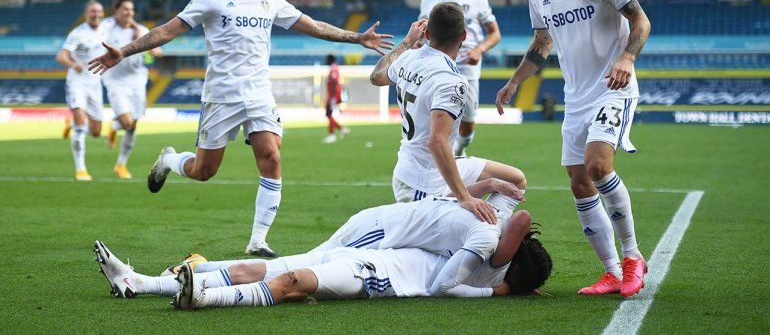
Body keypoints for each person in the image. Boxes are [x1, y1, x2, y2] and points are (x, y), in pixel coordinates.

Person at [88, 0, 394, 257]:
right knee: (204, 172)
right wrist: (125, 50)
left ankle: (258, 240)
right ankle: (170, 160)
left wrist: (356, 38)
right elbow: (167, 30)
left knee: (272, 158)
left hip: (259, 94)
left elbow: (315, 26)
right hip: (221, 96)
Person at [496, 0, 652, 298]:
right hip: (575, 97)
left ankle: (633, 258)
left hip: (614, 86)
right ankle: (612, 272)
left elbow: (641, 21)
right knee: (579, 182)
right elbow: (542, 43)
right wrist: (515, 81)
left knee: (598, 166)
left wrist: (627, 59)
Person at [91, 211, 552, 308]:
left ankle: (203, 299)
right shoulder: (488, 248)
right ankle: (141, 283)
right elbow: (518, 218)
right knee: (258, 268)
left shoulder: (491, 275)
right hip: (372, 253)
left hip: (381, 276)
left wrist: (503, 289)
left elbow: (440, 288)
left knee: (296, 279)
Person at [370, 3, 525, 223]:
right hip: (421, 182)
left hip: (424, 166)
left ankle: (488, 228)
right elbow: (436, 141)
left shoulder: (407, 57)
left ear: (427, 32)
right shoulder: (451, 80)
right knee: (432, 250)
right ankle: (482, 234)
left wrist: (406, 41)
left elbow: (376, 76)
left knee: (515, 180)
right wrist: (465, 197)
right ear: (463, 35)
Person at [419, 0, 501, 157]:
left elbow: (495, 34)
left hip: (466, 66)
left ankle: (460, 149)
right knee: (436, 115)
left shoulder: (477, 0)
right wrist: (417, 45)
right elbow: (421, 32)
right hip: (436, 66)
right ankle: (443, 156)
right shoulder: (428, 1)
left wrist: (479, 50)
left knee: (468, 123)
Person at [100, 0, 161, 179]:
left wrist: (155, 52)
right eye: (125, 9)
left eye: (131, 9)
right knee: (127, 123)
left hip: (137, 81)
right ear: (116, 10)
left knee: (132, 126)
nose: (128, 13)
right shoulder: (107, 28)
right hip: (115, 81)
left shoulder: (141, 30)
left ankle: (121, 165)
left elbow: (154, 49)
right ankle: (115, 125)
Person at [55, 0, 106, 181]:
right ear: (86, 14)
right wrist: (72, 64)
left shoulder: (106, 29)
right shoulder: (77, 34)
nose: (97, 14)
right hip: (77, 82)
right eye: (93, 11)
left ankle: (71, 124)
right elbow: (60, 55)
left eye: (99, 11)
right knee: (80, 125)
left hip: (95, 84)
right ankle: (81, 169)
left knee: (96, 132)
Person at [322, 54, 349, 143]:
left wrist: (333, 97)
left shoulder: (334, 69)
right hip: (333, 96)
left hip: (333, 96)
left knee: (329, 114)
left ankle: (334, 134)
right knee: (329, 114)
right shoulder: (334, 68)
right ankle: (338, 131)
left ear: (329, 60)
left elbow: (335, 82)